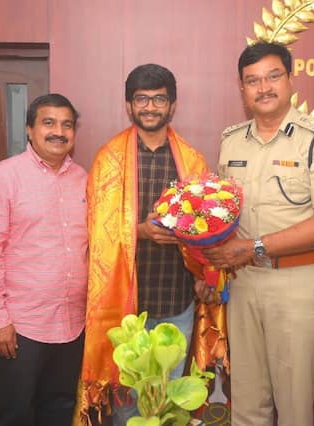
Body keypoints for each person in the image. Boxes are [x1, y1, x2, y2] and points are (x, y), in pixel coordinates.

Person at [202, 42, 314, 426]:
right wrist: (210, 267)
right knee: (246, 406)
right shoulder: (231, 140)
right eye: (253, 80)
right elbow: (222, 217)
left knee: (294, 409)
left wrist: (252, 247)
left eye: (273, 77)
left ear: (290, 79)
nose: (263, 87)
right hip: (243, 283)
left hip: (296, 285)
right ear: (242, 88)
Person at [78, 63, 209, 425]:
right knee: (127, 405)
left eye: (159, 99)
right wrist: (140, 231)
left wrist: (205, 272)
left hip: (176, 300)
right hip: (125, 306)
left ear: (172, 105)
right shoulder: (108, 159)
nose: (150, 107)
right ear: (129, 105)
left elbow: (205, 229)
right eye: (142, 99)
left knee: (170, 401)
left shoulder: (191, 161)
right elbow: (97, 232)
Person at [0, 93, 88, 426]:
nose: (59, 132)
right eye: (48, 123)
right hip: (21, 326)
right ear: (29, 129)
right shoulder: (3, 176)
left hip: (73, 324)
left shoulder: (84, 179)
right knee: (15, 413)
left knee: (60, 409)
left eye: (67, 125)